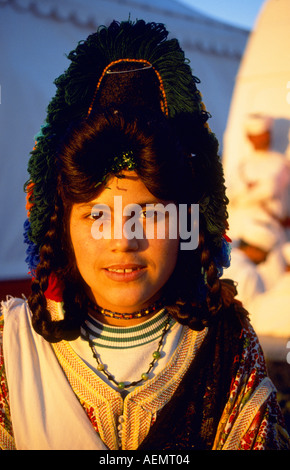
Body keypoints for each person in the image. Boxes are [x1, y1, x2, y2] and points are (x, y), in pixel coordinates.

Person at [1, 19, 289, 451]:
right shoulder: (12, 348)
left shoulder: (225, 345)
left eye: (150, 214)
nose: (123, 240)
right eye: (97, 214)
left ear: (187, 225)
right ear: (61, 229)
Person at [227, 114, 290, 242]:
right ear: (249, 138)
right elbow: (230, 196)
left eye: (265, 134)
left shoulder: (280, 163)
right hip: (242, 232)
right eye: (259, 135)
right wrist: (255, 190)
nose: (263, 138)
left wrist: (245, 193)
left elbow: (270, 189)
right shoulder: (241, 166)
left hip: (272, 232)